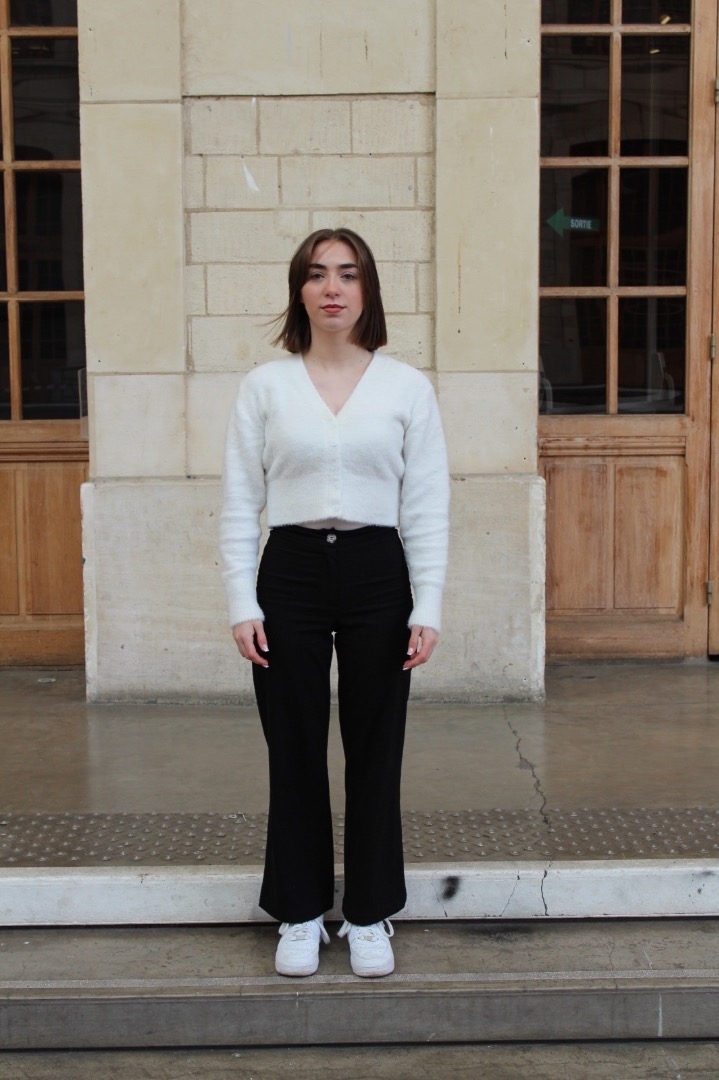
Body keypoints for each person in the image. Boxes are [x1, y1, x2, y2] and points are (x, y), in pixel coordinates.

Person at [220, 227, 449, 978]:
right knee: (292, 743)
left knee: (376, 745)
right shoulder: (266, 386)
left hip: (377, 567)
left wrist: (427, 604)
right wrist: (241, 599)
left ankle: (370, 911)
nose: (332, 288)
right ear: (299, 289)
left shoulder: (406, 387)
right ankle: (299, 909)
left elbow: (426, 503)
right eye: (317, 274)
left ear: (366, 289)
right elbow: (239, 500)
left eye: (347, 274)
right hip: (288, 569)